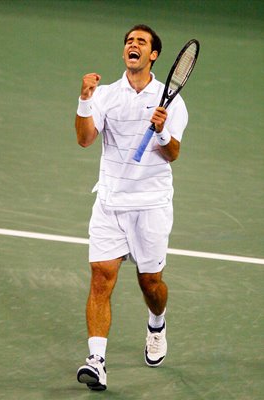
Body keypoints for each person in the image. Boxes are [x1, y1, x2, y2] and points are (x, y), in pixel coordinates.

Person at [75, 24, 188, 391]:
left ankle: (157, 323)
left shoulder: (171, 101)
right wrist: (85, 99)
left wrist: (162, 132)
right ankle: (96, 360)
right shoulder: (106, 94)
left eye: (141, 42)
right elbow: (84, 140)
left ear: (153, 55)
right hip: (110, 202)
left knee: (150, 283)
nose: (133, 45)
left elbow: (172, 155)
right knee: (100, 279)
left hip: (151, 204)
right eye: (129, 41)